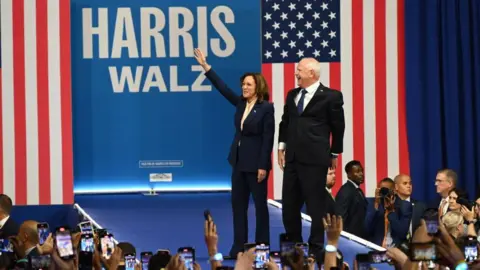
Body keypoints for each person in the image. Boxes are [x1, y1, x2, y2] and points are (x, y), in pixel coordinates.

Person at [194, 48, 275, 258]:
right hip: (238, 164)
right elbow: (223, 88)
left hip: (256, 166)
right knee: (238, 208)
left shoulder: (267, 108)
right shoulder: (240, 103)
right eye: (243, 84)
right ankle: (238, 247)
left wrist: (263, 166)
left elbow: (268, 139)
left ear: (258, 87)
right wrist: (206, 66)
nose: (244, 87)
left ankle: (262, 248)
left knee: (260, 209)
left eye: (249, 84)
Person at [277, 57, 345, 257]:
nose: (295, 73)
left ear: (312, 73)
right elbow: (285, 122)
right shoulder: (292, 95)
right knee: (289, 206)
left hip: (315, 160)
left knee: (316, 207)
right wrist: (281, 147)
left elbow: (338, 127)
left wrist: (334, 153)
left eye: (299, 70)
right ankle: (294, 247)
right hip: (293, 160)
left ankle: (315, 248)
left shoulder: (331, 96)